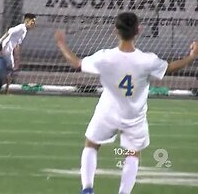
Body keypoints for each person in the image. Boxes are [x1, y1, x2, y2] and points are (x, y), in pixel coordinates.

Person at [54, 12, 197, 194]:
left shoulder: (105, 57)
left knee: (91, 144)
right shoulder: (147, 60)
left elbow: (76, 63)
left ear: (116, 30)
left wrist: (61, 43)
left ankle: (87, 189)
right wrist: (192, 56)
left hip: (107, 113)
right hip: (134, 116)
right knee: (132, 153)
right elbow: (170, 68)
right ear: (139, 30)